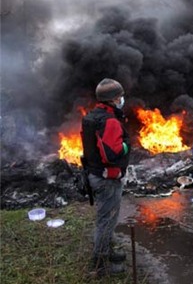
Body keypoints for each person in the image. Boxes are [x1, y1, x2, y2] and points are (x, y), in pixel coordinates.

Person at [80, 78, 130, 276]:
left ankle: (105, 251)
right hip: (107, 179)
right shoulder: (109, 121)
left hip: (94, 174)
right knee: (106, 220)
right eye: (120, 97)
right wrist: (127, 145)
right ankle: (99, 265)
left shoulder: (91, 117)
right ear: (114, 99)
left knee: (105, 218)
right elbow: (112, 153)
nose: (122, 100)